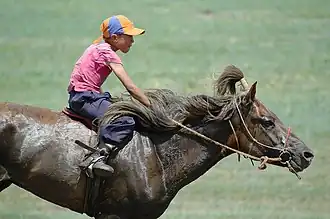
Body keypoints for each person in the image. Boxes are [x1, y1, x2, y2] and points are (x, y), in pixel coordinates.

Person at [67, 15, 151, 178]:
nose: (132, 41)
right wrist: (151, 106)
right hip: (85, 98)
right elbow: (131, 87)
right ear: (114, 37)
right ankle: (96, 158)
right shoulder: (107, 52)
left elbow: (90, 79)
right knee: (124, 120)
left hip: (84, 96)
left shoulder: (96, 47)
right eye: (129, 37)